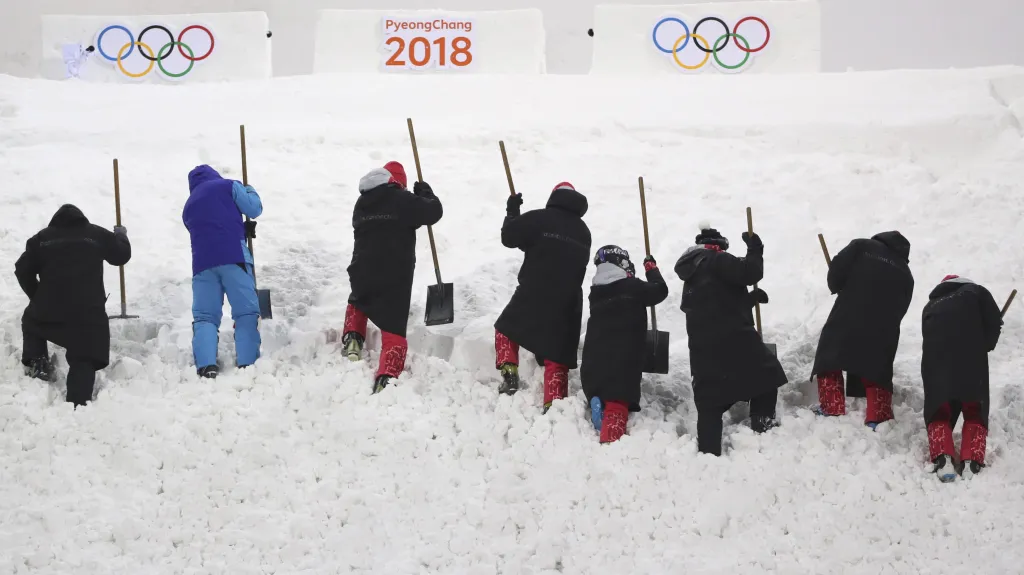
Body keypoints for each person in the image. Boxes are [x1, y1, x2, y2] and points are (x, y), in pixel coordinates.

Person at [674, 224, 786, 456]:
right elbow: (750, 273)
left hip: (703, 348)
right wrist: (755, 249)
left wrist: (750, 299)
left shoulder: (693, 273)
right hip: (734, 339)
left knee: (710, 402)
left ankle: (708, 452)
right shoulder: (716, 259)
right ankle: (763, 427)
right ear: (718, 245)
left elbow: (717, 305)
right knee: (766, 375)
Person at [15, 204, 131, 407]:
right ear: (81, 219)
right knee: (84, 355)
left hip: (48, 311)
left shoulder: (42, 239)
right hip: (87, 316)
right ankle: (78, 401)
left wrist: (37, 296)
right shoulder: (95, 234)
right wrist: (121, 235)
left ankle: (37, 362)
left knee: (32, 322)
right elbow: (121, 256)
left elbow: (22, 270)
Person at [342, 161, 443, 393]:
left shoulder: (362, 202)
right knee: (393, 323)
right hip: (394, 273)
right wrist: (426, 194)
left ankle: (352, 337)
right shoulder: (402, 200)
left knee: (359, 299)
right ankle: (387, 375)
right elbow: (433, 212)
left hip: (362, 267)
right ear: (398, 182)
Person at [494, 182, 591, 412]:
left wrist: (512, 211)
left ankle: (509, 369)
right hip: (568, 300)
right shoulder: (584, 232)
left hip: (535, 289)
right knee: (555, 354)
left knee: (505, 329)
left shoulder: (540, 219)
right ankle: (554, 403)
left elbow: (510, 237)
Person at [810, 231, 914, 429]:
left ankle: (832, 406)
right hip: (885, 325)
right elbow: (902, 306)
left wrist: (837, 286)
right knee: (877, 364)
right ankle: (878, 415)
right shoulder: (907, 273)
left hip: (850, 312)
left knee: (831, 352)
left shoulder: (862, 246)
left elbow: (837, 269)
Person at [182, 164, 263, 379]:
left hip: (202, 266)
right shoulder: (228, 186)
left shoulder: (188, 206)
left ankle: (206, 365)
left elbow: (208, 228)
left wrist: (238, 227)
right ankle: (247, 362)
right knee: (245, 312)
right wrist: (249, 190)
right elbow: (254, 209)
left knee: (205, 317)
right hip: (233, 257)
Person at [580, 245, 668, 443]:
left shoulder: (596, 292)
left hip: (595, 355)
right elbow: (660, 291)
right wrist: (652, 269)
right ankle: (610, 437)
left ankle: (597, 401)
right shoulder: (633, 287)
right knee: (618, 399)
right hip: (623, 357)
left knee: (603, 386)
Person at [921, 275, 1002, 481]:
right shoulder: (976, 292)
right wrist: (985, 344)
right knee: (974, 408)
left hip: (935, 363)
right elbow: (993, 323)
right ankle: (971, 463)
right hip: (970, 359)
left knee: (939, 409)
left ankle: (942, 459)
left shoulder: (930, 305)